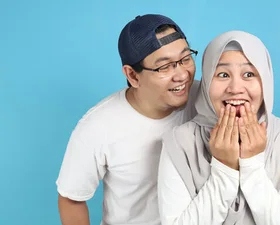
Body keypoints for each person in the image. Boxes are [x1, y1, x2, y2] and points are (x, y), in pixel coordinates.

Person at [157, 30, 280, 225]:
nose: (235, 88)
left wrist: (251, 166)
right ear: (207, 81)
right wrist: (224, 168)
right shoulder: (179, 142)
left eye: (249, 74)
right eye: (223, 74)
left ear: (265, 81)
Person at [55, 14, 200, 225]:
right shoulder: (98, 126)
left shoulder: (205, 99)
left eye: (185, 59)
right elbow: (70, 199)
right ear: (132, 75)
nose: (182, 75)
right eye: (164, 67)